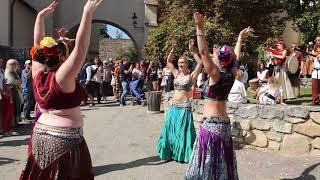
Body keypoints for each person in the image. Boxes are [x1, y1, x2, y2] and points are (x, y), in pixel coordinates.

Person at [20, 0, 102, 179]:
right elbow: (80, 50)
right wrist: (87, 13)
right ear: (61, 57)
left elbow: (36, 43)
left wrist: (40, 17)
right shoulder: (62, 77)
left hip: (40, 136)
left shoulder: (38, 73)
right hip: (64, 140)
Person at [186, 12, 252, 179]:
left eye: (215, 54)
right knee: (221, 163)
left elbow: (202, 51)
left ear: (221, 61)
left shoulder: (216, 74)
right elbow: (234, 56)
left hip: (211, 126)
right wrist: (239, 38)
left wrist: (200, 29)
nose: (212, 55)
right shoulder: (230, 72)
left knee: (209, 164)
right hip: (223, 126)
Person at [157, 39, 202, 163]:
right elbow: (168, 61)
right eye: (179, 62)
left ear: (187, 64)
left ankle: (182, 155)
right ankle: (170, 153)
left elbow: (200, 63)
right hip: (174, 106)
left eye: (183, 62)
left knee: (183, 133)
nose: (180, 64)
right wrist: (172, 49)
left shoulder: (191, 76)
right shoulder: (176, 74)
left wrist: (192, 51)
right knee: (171, 131)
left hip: (185, 107)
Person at [4, 59, 22, 126]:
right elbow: (12, 82)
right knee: (13, 107)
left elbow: (19, 81)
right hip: (11, 91)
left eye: (15, 64)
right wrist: (17, 82)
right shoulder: (7, 72)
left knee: (17, 105)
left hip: (16, 90)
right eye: (13, 64)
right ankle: (13, 123)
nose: (14, 65)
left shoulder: (14, 72)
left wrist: (17, 82)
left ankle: (17, 122)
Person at [311, 36, 320, 105]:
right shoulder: (314, 50)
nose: (317, 41)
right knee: (314, 87)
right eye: (316, 40)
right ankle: (315, 101)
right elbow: (312, 60)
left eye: (319, 40)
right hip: (315, 70)